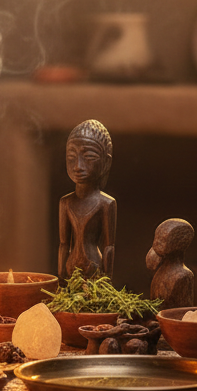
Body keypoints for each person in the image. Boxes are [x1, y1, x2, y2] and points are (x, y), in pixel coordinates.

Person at [57, 119, 116, 282]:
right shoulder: (66, 202)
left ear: (106, 161)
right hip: (70, 269)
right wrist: (61, 275)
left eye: (89, 157)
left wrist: (107, 279)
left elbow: (109, 246)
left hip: (94, 269)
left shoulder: (106, 203)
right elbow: (63, 244)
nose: (78, 166)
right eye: (71, 157)